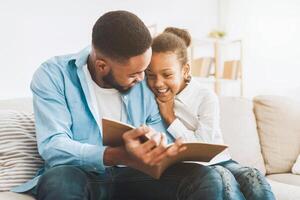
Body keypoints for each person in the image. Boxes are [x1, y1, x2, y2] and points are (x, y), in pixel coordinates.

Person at [12, 11, 224, 200]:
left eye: (145, 70)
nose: (144, 80)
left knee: (204, 178)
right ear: (102, 66)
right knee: (59, 181)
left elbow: (156, 126)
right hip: (81, 174)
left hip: (136, 175)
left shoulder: (144, 82)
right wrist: (118, 155)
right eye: (134, 73)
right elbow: (53, 145)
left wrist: (158, 146)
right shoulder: (54, 75)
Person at [146, 27, 276, 200]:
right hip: (196, 169)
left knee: (252, 177)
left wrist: (170, 118)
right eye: (151, 75)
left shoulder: (205, 97)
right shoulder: (149, 96)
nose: (158, 83)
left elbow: (204, 147)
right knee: (225, 181)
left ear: (185, 71)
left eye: (167, 74)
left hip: (220, 159)